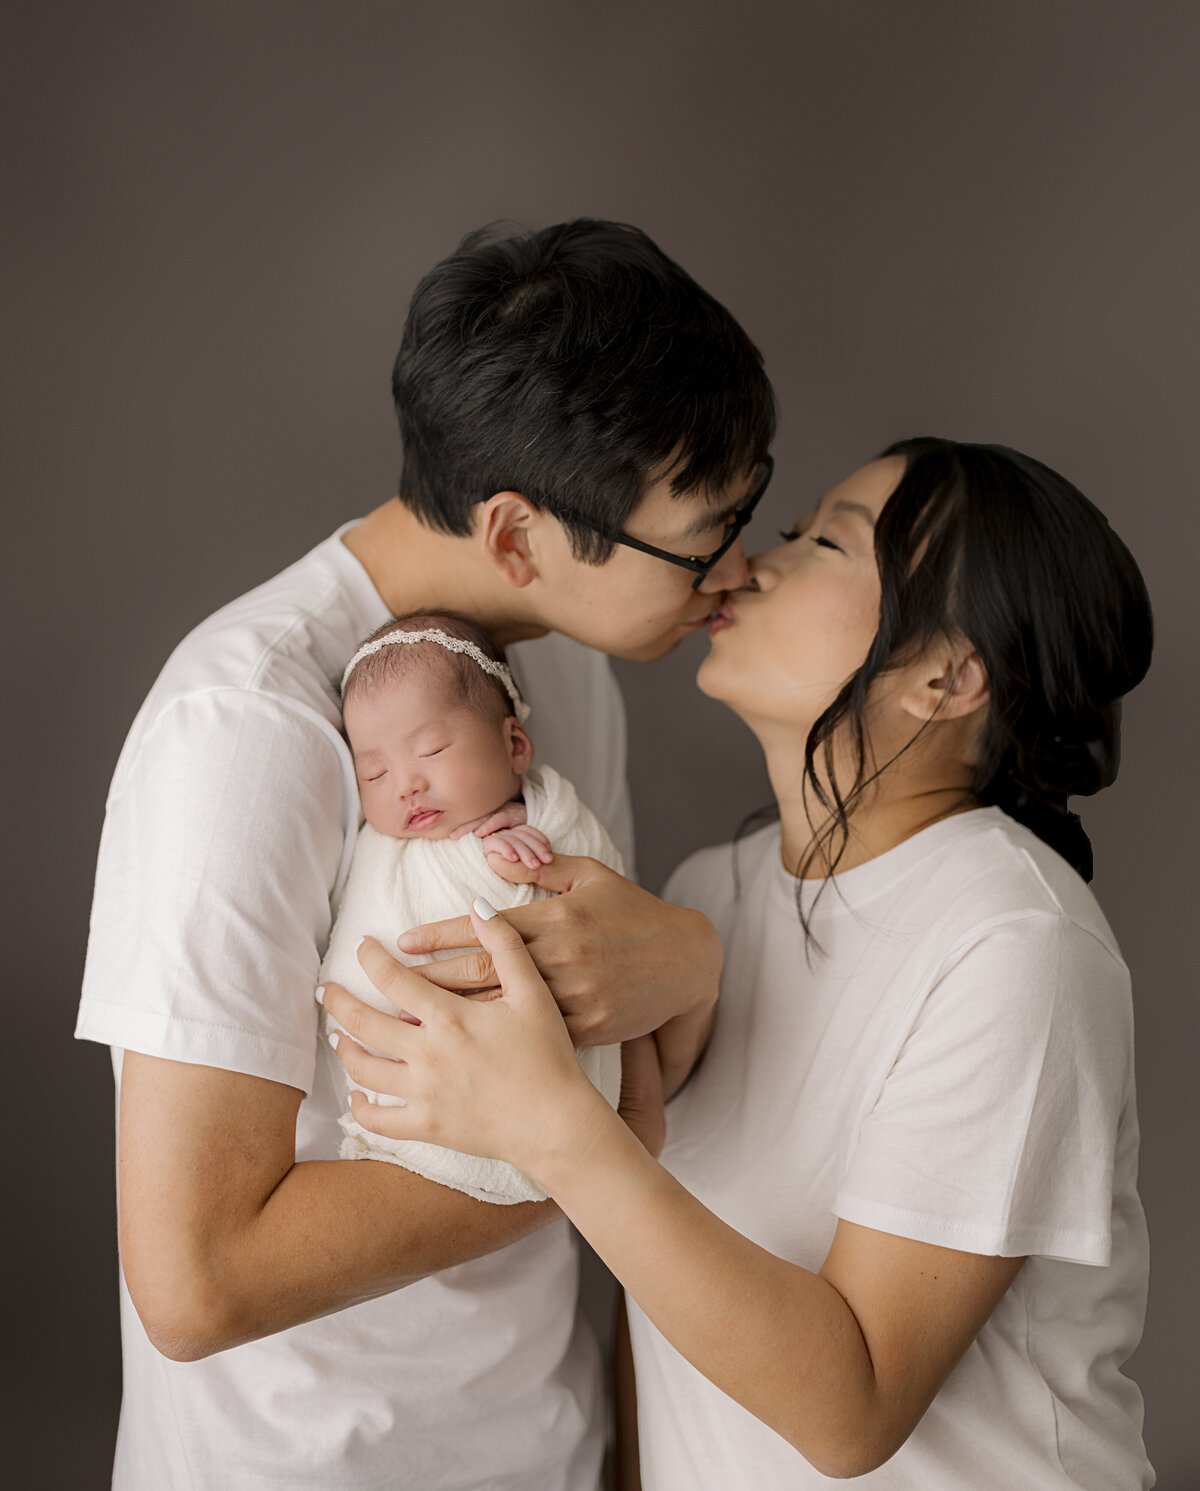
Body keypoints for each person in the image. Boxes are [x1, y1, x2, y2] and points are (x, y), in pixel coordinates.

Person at [75, 218, 776, 1489]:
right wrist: (596, 1150)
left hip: (542, 1445)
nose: (738, 573)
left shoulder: (561, 675)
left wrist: (685, 961)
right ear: (516, 535)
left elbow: (593, 1034)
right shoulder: (245, 732)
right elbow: (195, 1280)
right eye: (702, 536)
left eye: (750, 508)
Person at [324, 438, 1156, 1489]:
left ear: (946, 677)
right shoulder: (704, 896)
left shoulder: (1014, 943)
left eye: (824, 542)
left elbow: (854, 1410)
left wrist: (554, 1121)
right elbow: (664, 1292)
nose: (755, 560)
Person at [323, 609, 624, 1203]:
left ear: (514, 746)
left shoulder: (549, 821)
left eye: (431, 749)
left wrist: (533, 829)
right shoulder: (381, 849)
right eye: (374, 772)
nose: (404, 784)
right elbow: (362, 930)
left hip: (527, 1089)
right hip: (403, 1082)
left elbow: (604, 910)